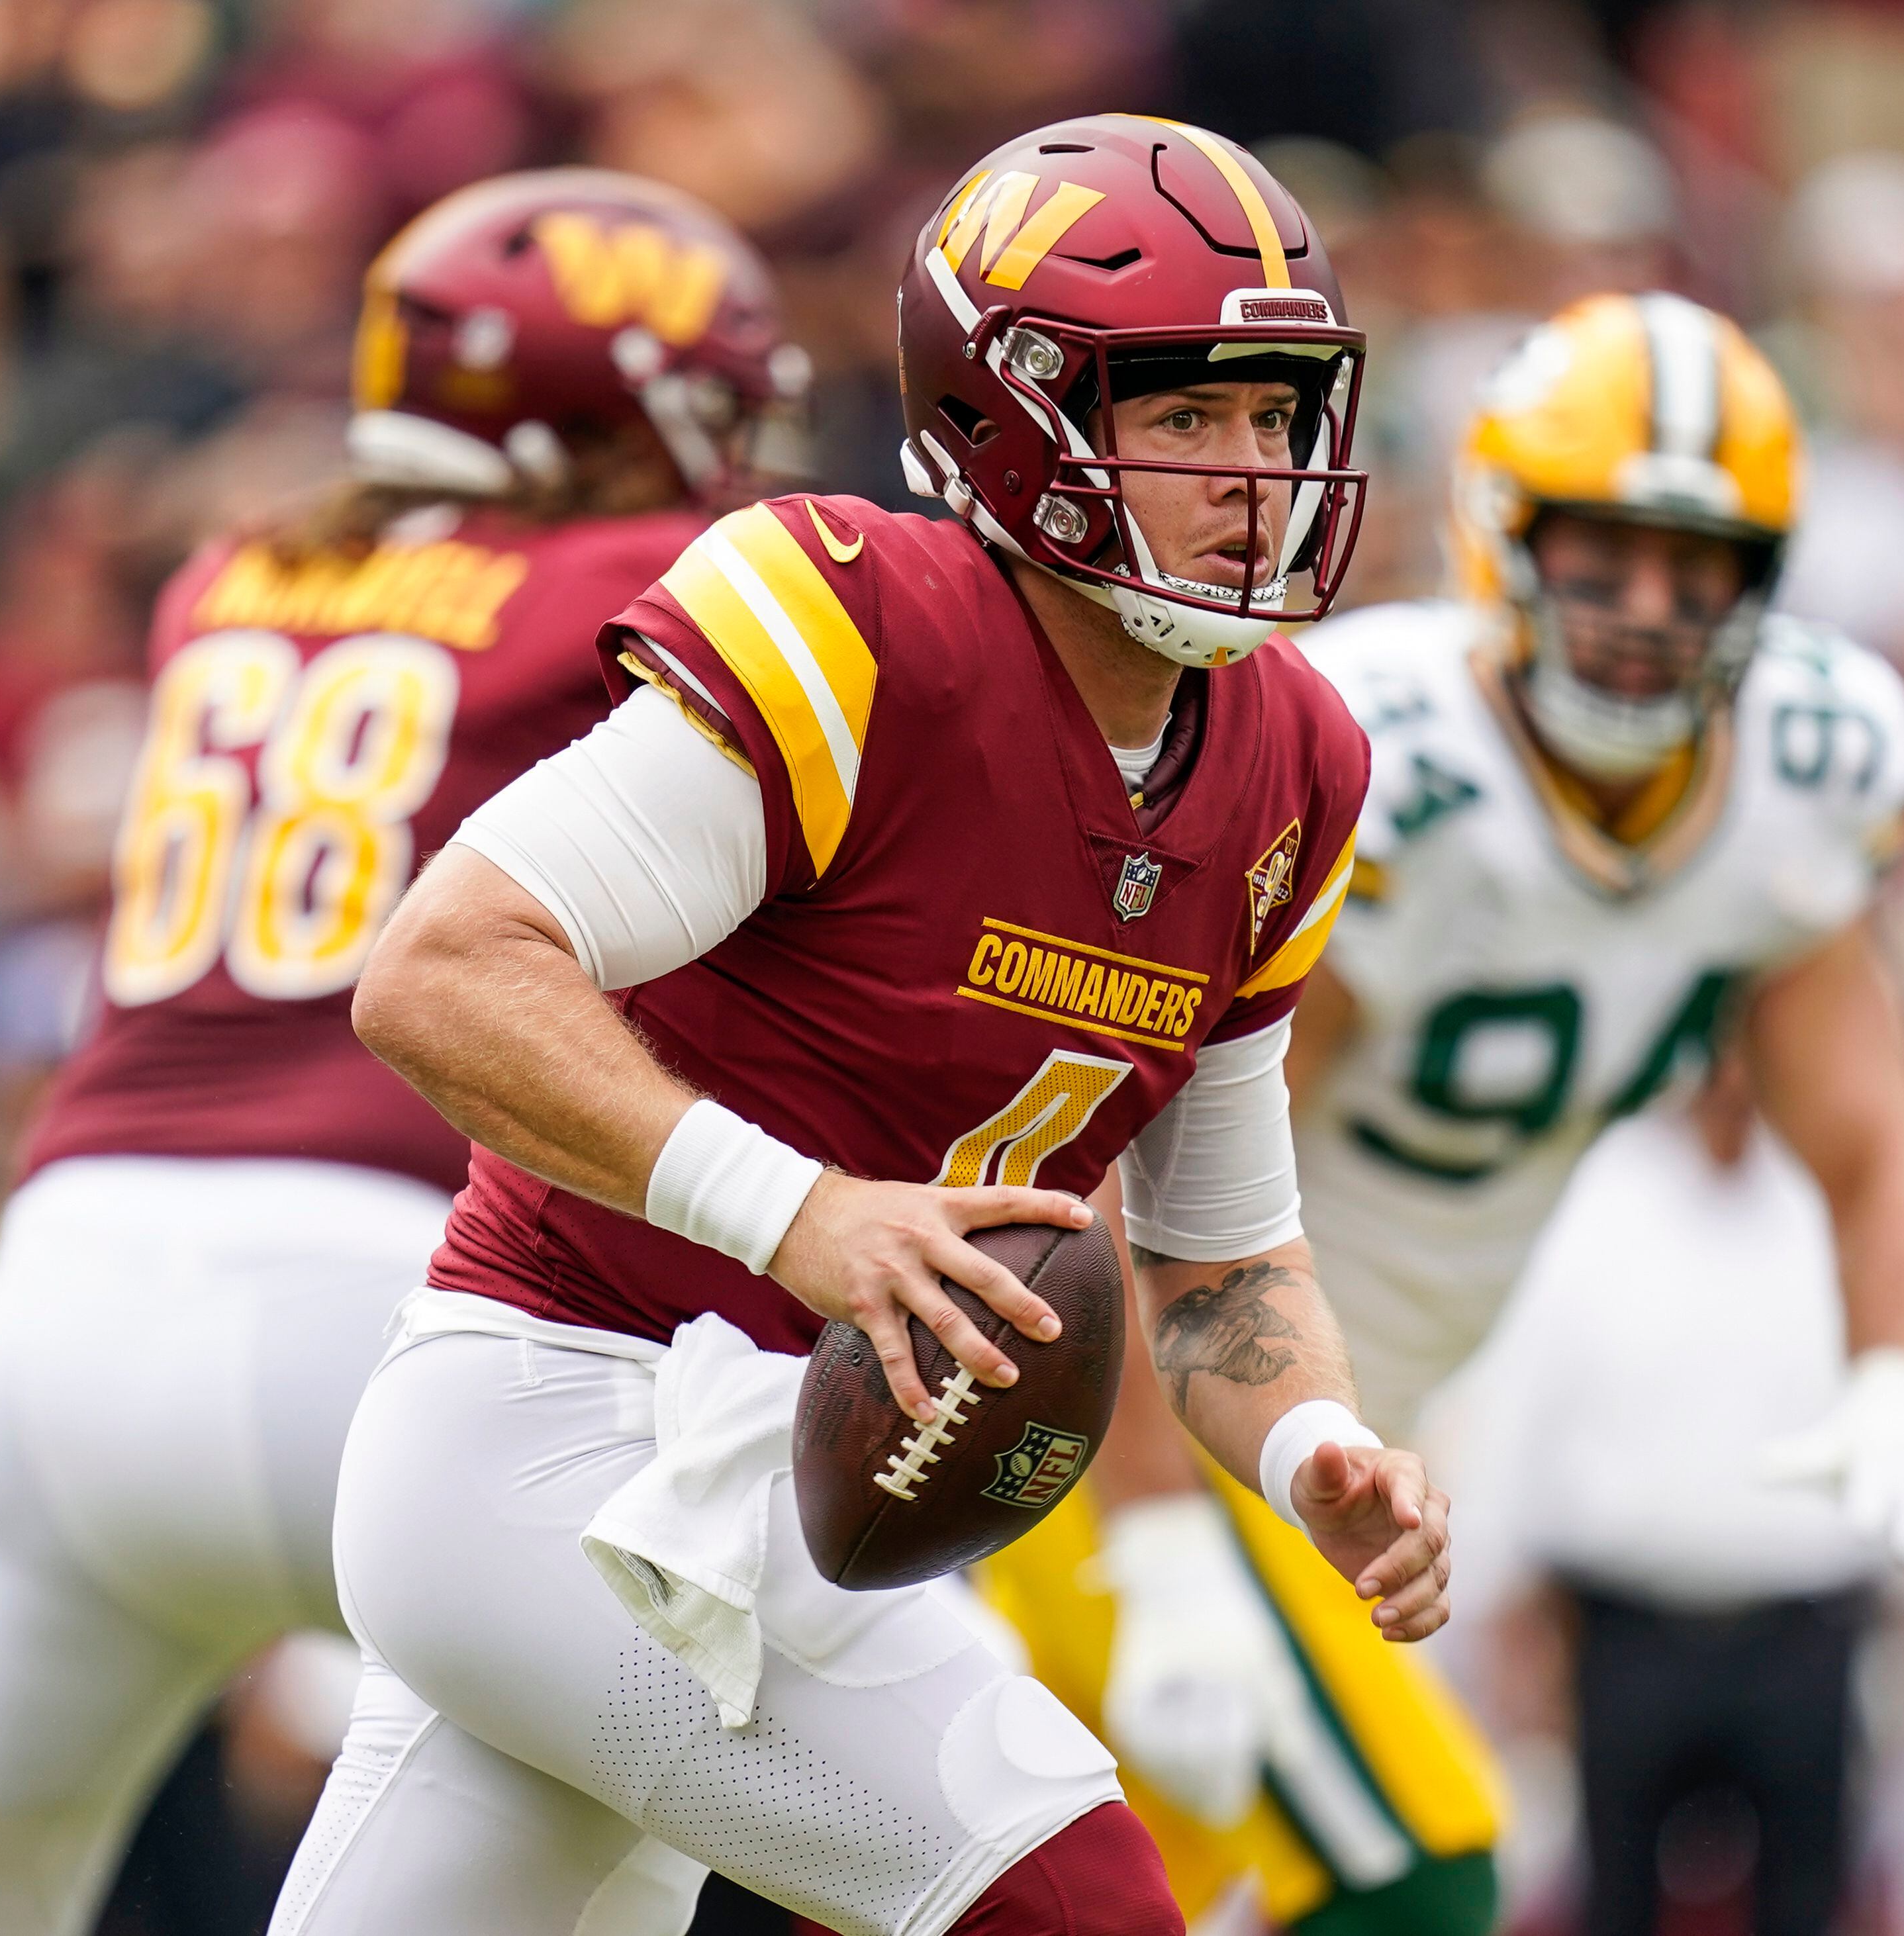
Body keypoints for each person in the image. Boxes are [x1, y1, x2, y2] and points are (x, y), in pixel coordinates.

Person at [267, 115, 1447, 1936]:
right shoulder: (865, 628)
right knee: (1079, 1905)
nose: (1255, 475)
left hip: (770, 1496)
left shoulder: (1295, 755)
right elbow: (441, 967)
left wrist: (1315, 1454)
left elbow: (1216, 1253)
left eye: (1277, 417)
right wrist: (805, 1213)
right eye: (1187, 415)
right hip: (579, 1426)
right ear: (1014, 419)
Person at [0, 169, 809, 1936]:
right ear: (627, 410)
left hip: (67, 1284)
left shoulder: (235, 575)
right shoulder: (659, 584)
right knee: (605, 1871)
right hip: (391, 1299)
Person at [1007, 293, 1904, 1905]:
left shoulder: (1805, 771)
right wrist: (1164, 1540)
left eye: (1701, 563)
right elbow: (1134, 1165)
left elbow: (1872, 1137)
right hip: (1153, 1414)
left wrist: (1903, 1381)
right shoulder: (1375, 763)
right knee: (1426, 1861)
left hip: (1338, 1436)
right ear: (1504, 533)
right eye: (1608, 549)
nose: (1652, 608)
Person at [1447, 1054, 1881, 1936]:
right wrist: (1496, 1592)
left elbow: (1895, 1371)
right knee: (1617, 1898)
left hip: (1803, 1619)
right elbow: (1524, 1386)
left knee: (1808, 1896)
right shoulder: (1600, 1188)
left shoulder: (1835, 1182)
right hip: (1626, 1621)